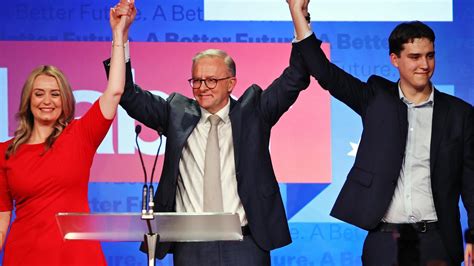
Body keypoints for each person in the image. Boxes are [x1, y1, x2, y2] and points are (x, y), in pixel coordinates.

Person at [103, 1, 310, 265]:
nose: (202, 87)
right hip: (191, 246)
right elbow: (128, 95)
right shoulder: (176, 112)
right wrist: (120, 36)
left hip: (245, 244)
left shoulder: (254, 112)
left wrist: (299, 16)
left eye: (211, 80)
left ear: (231, 83)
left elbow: (297, 76)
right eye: (196, 80)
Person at [287, 0, 474, 265]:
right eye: (414, 57)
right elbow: (325, 73)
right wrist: (299, 15)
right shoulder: (376, 98)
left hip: (438, 241)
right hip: (386, 241)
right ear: (394, 59)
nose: (424, 64)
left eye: (429, 55)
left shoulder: (459, 113)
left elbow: (471, 184)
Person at [0, 2, 134, 265]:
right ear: (28, 100)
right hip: (24, 256)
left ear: (65, 100)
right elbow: (2, 218)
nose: (47, 101)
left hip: (77, 256)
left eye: (55, 93)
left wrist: (118, 35)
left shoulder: (81, 134)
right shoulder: (5, 151)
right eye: (39, 94)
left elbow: (115, 90)